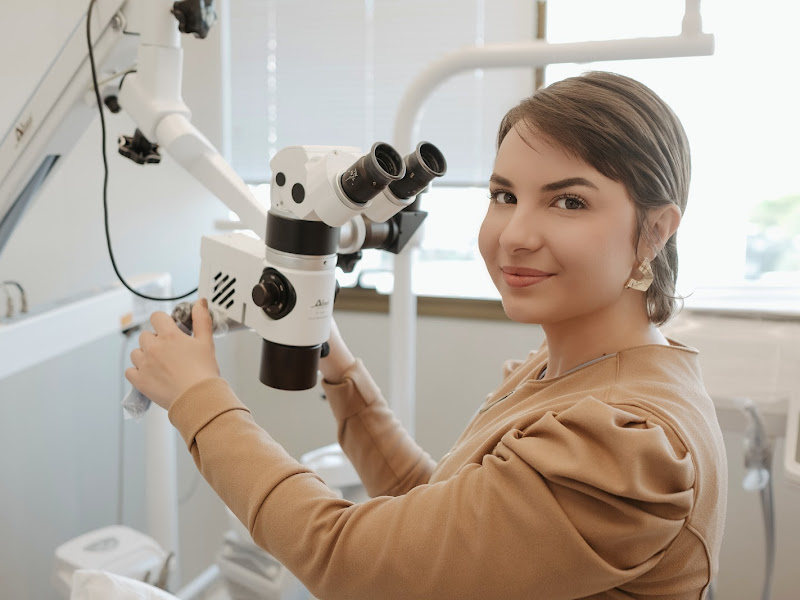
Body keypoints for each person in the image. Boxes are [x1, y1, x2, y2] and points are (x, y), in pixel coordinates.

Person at [127, 71, 727, 600]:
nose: (514, 235)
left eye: (568, 202)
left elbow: (350, 564)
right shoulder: (577, 364)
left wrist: (199, 399)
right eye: (504, 196)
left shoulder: (625, 444)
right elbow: (436, 513)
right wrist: (336, 362)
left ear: (655, 230)